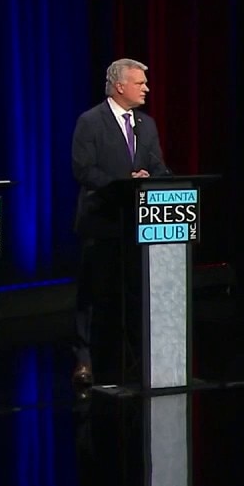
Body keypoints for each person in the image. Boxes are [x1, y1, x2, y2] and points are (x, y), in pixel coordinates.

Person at [71, 58, 170, 387]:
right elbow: (83, 169)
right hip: (100, 220)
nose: (147, 89)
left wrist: (150, 177)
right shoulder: (90, 121)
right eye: (140, 83)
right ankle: (84, 360)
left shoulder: (147, 124)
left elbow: (158, 166)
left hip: (135, 223)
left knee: (134, 292)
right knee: (92, 294)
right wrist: (123, 183)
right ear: (119, 86)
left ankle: (138, 359)